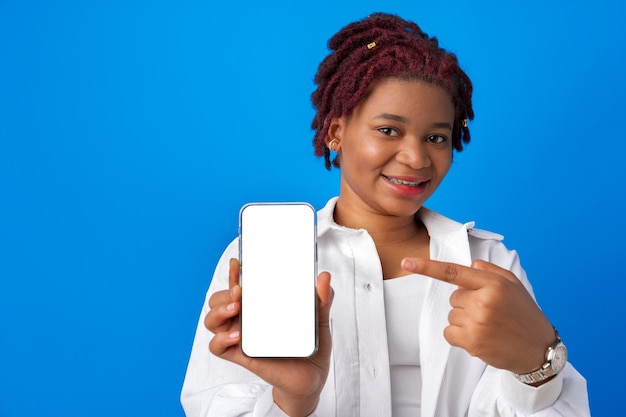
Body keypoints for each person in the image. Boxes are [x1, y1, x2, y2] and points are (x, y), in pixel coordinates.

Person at [181, 12, 590, 417]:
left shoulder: (489, 266)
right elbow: (210, 405)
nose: (416, 158)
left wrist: (537, 365)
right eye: (389, 130)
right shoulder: (259, 258)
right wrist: (294, 400)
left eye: (436, 137)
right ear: (335, 133)